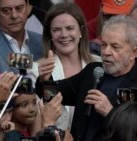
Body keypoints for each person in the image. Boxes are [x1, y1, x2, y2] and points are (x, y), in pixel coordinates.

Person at [36, 15, 137, 141]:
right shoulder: (93, 71)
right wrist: (44, 80)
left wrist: (110, 112)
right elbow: (53, 95)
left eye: (115, 47)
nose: (106, 52)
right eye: (103, 45)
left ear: (134, 52)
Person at [30, 2, 101, 131]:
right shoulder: (36, 70)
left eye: (69, 28)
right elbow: (36, 123)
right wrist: (46, 82)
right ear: (50, 35)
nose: (64, 35)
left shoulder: (99, 66)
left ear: (81, 30)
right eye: (57, 30)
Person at [0, 0, 43, 73]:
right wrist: (37, 64)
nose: (14, 16)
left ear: (27, 6)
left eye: (19, 8)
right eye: (6, 10)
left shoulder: (42, 41)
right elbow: (7, 59)